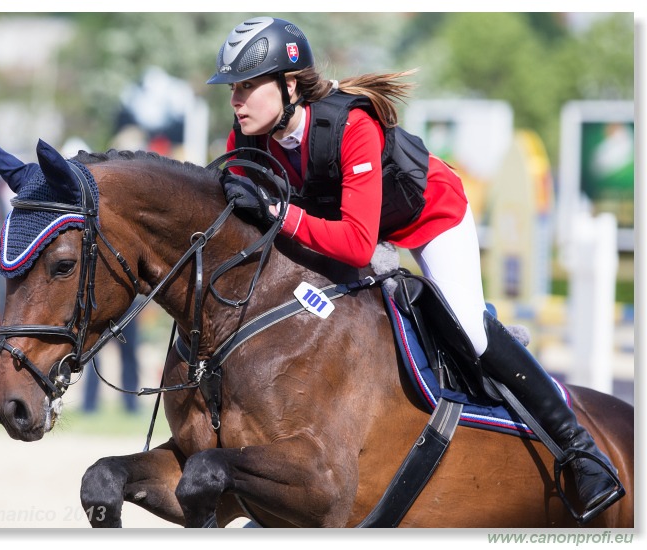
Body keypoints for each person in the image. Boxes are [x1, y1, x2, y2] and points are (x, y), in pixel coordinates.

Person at [207, 16, 623, 522]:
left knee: (466, 327)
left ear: (289, 85)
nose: (236, 100)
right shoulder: (247, 139)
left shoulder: (349, 126)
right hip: (359, 231)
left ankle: (582, 453)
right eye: (234, 88)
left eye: (248, 86)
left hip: (430, 217)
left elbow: (357, 245)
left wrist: (276, 212)